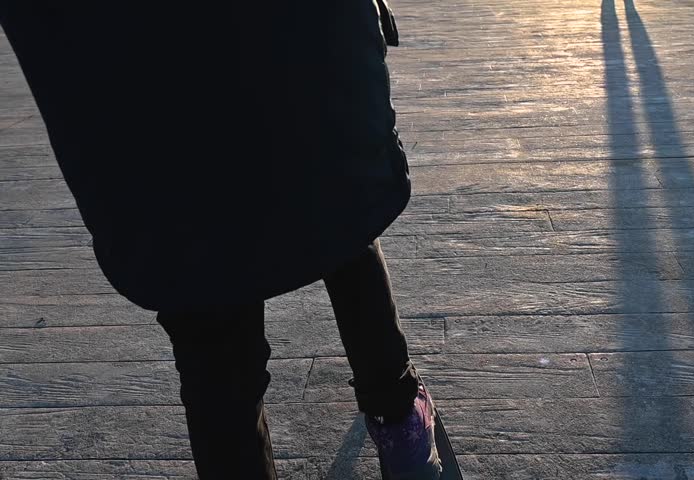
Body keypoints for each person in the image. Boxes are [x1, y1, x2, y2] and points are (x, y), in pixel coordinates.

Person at [0, 2, 442, 479]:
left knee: (209, 323)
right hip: (295, 50)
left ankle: (394, 414)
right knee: (334, 201)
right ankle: (400, 423)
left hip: (137, 85)